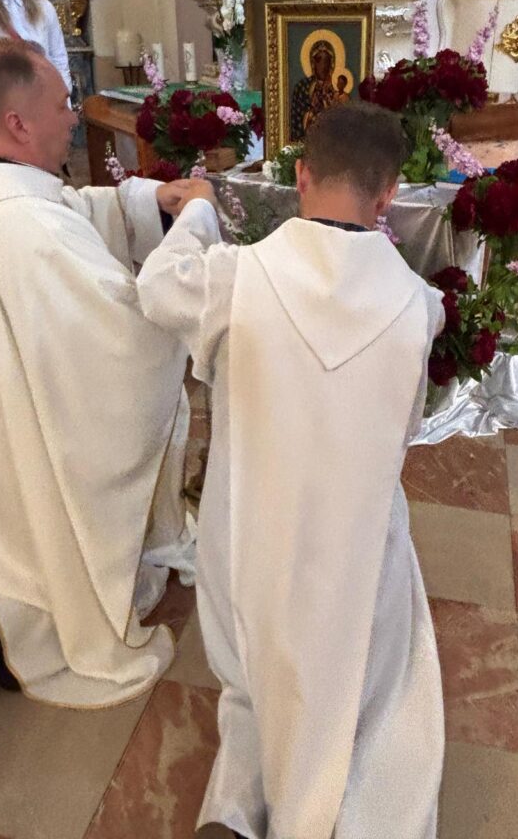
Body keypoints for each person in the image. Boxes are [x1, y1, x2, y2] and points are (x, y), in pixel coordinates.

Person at [136, 102, 446, 839]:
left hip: (250, 537)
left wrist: (201, 212)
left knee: (252, 681)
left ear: (301, 177)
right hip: (355, 550)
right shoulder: (421, 306)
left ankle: (240, 809)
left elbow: (156, 286)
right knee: (374, 678)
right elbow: (404, 429)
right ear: (387, 197)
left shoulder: (234, 279)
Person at [0, 38, 198, 728]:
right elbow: (127, 332)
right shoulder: (26, 230)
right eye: (62, 104)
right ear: (18, 123)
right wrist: (188, 258)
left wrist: (151, 198)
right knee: (56, 580)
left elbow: (66, 208)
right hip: (33, 445)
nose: (72, 115)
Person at [289, 38, 336, 141]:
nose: (323, 66)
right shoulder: (302, 87)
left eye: (326, 61)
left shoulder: (335, 89)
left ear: (331, 64)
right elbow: (297, 118)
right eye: (319, 61)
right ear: (313, 63)